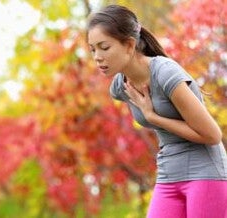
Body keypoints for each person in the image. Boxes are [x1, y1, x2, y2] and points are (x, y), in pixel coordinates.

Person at [86, 4, 227, 218]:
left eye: (104, 47)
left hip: (205, 173)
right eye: (92, 49)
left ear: (129, 45)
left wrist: (154, 117)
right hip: (168, 175)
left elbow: (212, 135)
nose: (97, 56)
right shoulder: (120, 87)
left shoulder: (164, 73)